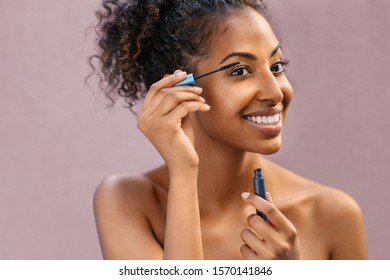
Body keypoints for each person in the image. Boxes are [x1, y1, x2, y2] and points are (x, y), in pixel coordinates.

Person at [91, 0, 367, 260]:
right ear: (179, 88)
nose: (275, 92)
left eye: (277, 66)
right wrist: (184, 171)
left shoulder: (332, 214)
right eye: (240, 71)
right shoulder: (127, 202)